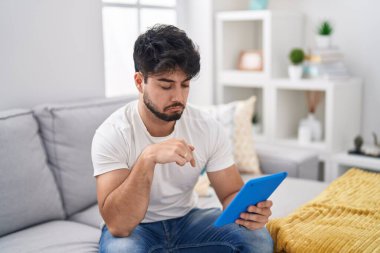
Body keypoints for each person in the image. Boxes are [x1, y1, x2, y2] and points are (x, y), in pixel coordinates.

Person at [91, 24, 274, 253]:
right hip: (135, 229)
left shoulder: (206, 127)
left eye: (185, 85)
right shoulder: (112, 133)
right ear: (139, 82)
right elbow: (119, 225)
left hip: (188, 220)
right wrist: (148, 158)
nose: (178, 96)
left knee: (258, 239)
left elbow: (229, 193)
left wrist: (248, 213)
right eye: (166, 85)